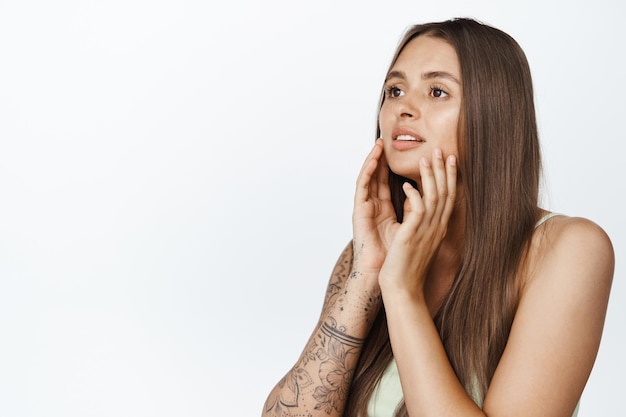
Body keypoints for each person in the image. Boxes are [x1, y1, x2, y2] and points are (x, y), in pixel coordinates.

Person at [261, 17, 614, 417]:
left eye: (437, 91)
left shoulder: (569, 249)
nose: (403, 108)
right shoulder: (368, 254)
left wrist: (401, 292)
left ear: (492, 114)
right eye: (394, 90)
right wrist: (368, 274)